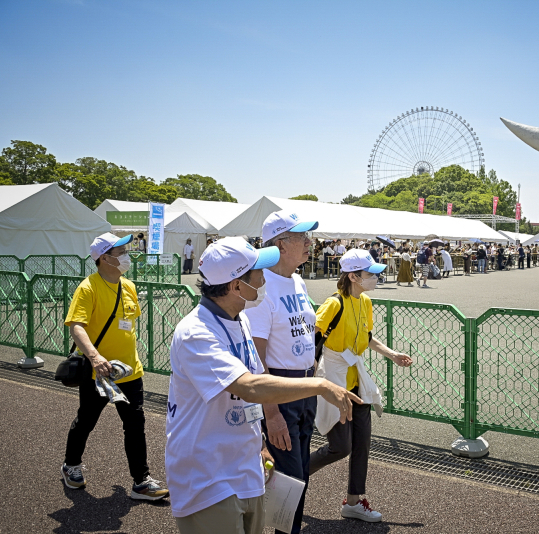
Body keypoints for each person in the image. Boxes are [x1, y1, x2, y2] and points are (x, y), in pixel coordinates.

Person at [166, 238, 360, 533]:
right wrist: (320, 386)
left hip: (244, 469)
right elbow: (250, 387)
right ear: (236, 286)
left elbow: (249, 394)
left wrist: (260, 443)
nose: (263, 277)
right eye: (258, 272)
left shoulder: (238, 319)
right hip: (207, 477)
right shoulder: (196, 333)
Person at [61, 232, 168, 500]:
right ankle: (71, 465)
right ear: (105, 258)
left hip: (129, 371)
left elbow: (128, 325)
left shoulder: (128, 286)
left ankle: (141, 481)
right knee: (86, 420)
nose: (126, 255)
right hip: (99, 372)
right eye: (121, 252)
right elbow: (76, 326)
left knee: (135, 423)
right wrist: (96, 358)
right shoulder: (88, 288)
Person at [310, 250, 412, 523]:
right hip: (333, 376)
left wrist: (392, 354)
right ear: (353, 276)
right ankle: (295, 472)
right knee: (340, 446)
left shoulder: (365, 301)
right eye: (370, 274)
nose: (375, 278)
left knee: (362, 444)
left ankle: (354, 502)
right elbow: (313, 337)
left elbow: (367, 338)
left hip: (356, 378)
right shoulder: (334, 303)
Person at [244, 210, 320, 534]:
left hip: (304, 389)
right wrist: (271, 414)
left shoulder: (298, 280)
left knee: (298, 477)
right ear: (280, 244)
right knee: (289, 480)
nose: (309, 242)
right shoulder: (262, 286)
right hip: (279, 389)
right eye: (302, 237)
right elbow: (257, 356)